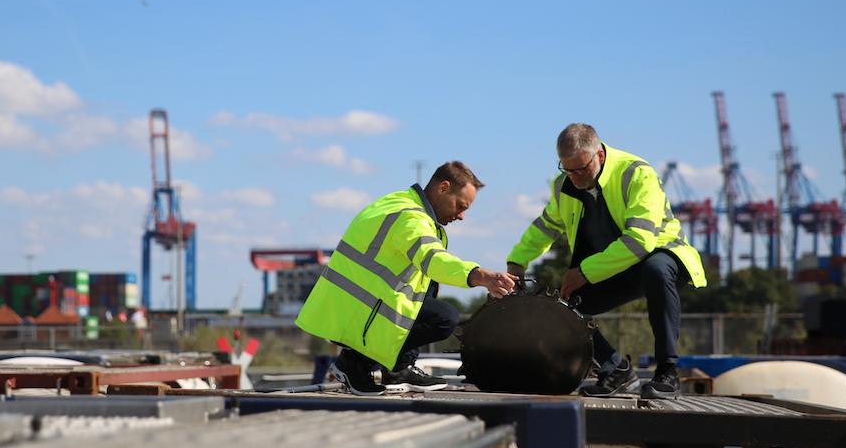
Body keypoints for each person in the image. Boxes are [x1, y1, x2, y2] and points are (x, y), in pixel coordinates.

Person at [506, 124, 706, 399]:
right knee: (562, 309)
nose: (574, 177)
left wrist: (584, 272)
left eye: (581, 169)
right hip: (613, 266)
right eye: (567, 169)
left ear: (599, 155)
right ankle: (616, 370)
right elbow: (546, 226)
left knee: (656, 270)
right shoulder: (564, 186)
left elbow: (640, 241)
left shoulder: (636, 173)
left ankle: (668, 373)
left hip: (659, 254)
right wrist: (517, 261)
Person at [297, 161, 517, 395]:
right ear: (443, 188)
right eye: (460, 205)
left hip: (356, 306)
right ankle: (353, 363)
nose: (462, 216)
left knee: (427, 288)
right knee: (444, 318)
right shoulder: (410, 218)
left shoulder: (399, 202)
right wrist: (479, 275)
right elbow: (432, 259)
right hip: (359, 311)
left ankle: (397, 369)